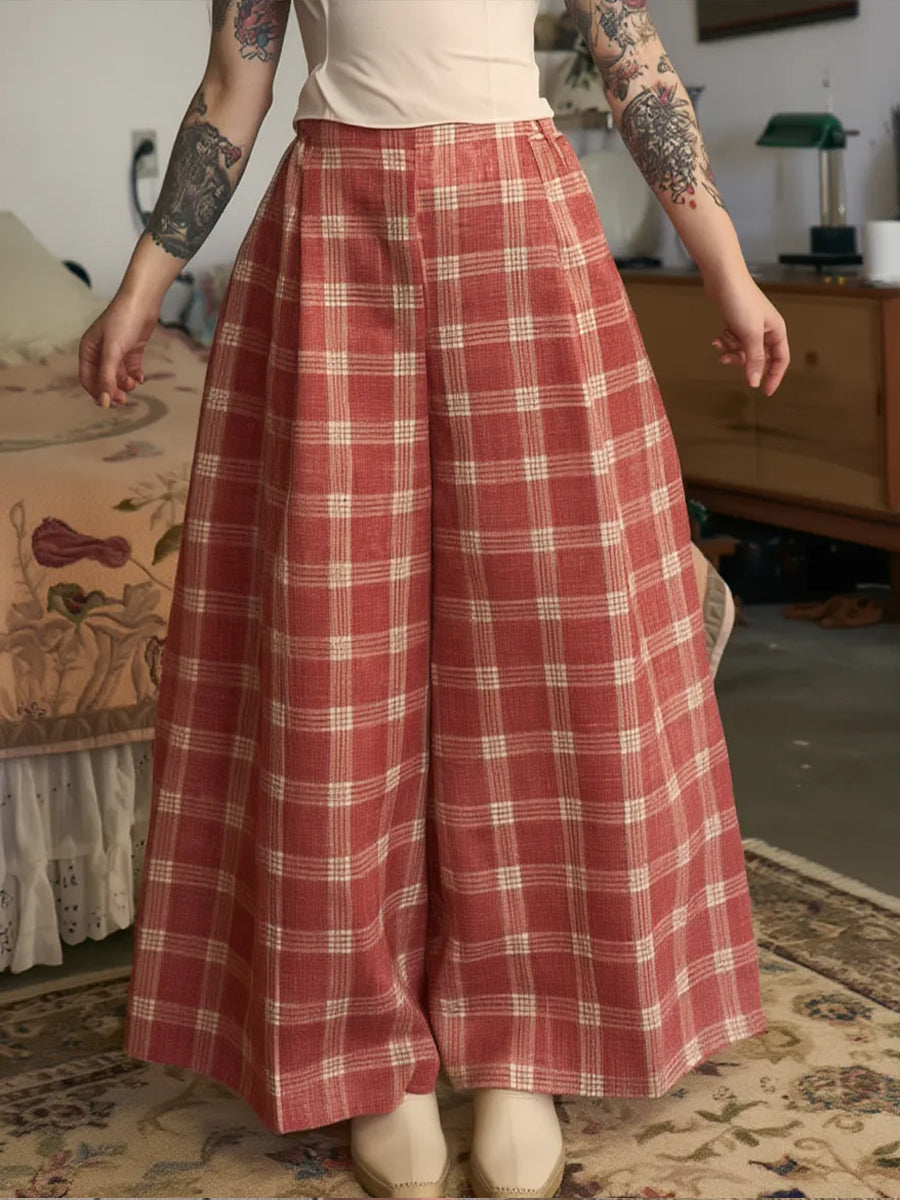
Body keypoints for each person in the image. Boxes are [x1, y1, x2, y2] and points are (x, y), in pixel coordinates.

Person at [78, 2, 789, 1198]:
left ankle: (527, 1046)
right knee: (332, 651)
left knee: (554, 642)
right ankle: (368, 1051)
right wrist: (142, 288)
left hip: (523, 226)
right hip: (331, 240)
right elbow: (233, 90)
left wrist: (728, 267)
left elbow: (636, 67)